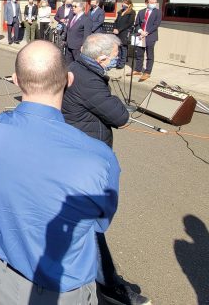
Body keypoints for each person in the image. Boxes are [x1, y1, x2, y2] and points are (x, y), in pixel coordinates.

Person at [0, 40, 120, 305]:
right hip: (62, 288)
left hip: (0, 273)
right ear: (69, 80)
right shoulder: (98, 157)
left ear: (16, 80)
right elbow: (100, 222)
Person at [62, 34, 150, 305]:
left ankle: (107, 281)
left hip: (81, 151)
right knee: (91, 225)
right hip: (86, 158)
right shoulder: (88, 79)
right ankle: (110, 286)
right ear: (101, 58)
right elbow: (121, 117)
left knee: (88, 225)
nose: (117, 61)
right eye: (115, 56)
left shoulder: (78, 68)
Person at [131, 0, 161, 82]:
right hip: (140, 35)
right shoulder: (141, 12)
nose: (153, 4)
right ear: (146, 3)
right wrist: (140, 31)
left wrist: (146, 32)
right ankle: (138, 70)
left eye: (154, 2)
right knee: (139, 53)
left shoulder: (158, 12)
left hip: (151, 36)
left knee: (149, 55)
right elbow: (137, 24)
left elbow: (156, 24)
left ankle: (147, 72)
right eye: (151, 3)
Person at [113, 0, 136, 69]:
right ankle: (118, 62)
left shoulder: (132, 12)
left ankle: (122, 63)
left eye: (125, 4)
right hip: (117, 32)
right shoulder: (120, 11)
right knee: (118, 48)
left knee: (123, 48)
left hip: (124, 32)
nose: (123, 5)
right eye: (123, 3)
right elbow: (116, 21)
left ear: (129, 4)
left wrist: (119, 30)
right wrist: (114, 28)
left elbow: (129, 23)